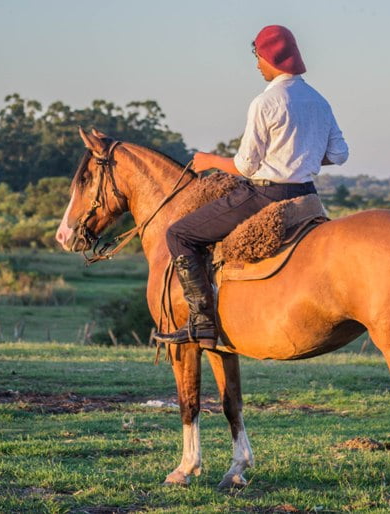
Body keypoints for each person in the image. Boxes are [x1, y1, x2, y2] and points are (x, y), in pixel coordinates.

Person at [155, 25, 349, 349]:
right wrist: (301, 157)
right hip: (307, 197)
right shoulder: (319, 101)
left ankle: (202, 323)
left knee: (179, 234)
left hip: (265, 195)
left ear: (269, 57)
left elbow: (245, 166)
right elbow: (339, 155)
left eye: (258, 57)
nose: (257, 65)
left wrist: (210, 161)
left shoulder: (266, 101)